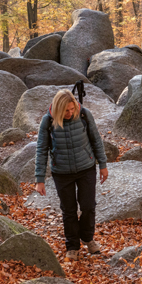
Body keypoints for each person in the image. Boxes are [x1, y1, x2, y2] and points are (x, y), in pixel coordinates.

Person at [34, 89, 109, 261]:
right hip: (62, 173)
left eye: (72, 109)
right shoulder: (48, 121)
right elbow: (41, 150)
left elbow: (96, 140)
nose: (70, 113)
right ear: (58, 109)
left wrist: (103, 165)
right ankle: (72, 245)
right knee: (69, 211)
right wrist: (39, 179)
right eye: (66, 110)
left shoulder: (84, 115)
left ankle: (87, 238)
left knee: (88, 206)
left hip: (86, 168)